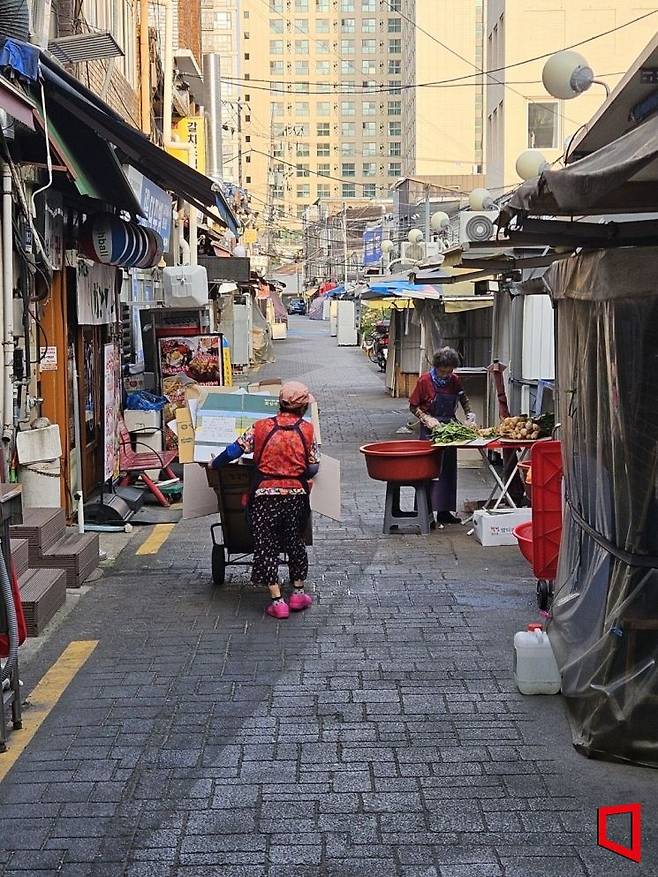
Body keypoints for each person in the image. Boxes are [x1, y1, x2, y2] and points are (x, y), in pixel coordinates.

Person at [211, 381, 319, 619]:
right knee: (294, 542)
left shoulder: (260, 427)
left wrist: (214, 464)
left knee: (266, 545)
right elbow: (313, 468)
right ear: (302, 408)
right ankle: (298, 594)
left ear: (280, 403)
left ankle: (277, 601)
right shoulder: (308, 430)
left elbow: (233, 451)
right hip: (296, 497)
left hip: (264, 497)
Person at [409, 347, 475, 525]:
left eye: (449, 370)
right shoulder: (424, 381)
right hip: (430, 431)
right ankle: (425, 512)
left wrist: (469, 415)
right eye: (443, 370)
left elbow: (463, 399)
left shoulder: (454, 380)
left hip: (449, 429)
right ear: (436, 366)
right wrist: (425, 418)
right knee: (428, 471)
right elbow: (413, 405)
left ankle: (445, 512)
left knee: (447, 471)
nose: (446, 374)